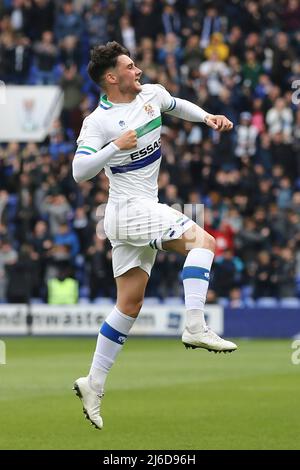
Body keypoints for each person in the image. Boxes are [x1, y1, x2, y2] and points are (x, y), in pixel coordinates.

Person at [72, 41, 237, 430]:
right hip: (128, 211)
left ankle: (93, 383)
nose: (138, 71)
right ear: (112, 78)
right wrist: (115, 145)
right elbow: (80, 172)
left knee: (129, 304)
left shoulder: (151, 94)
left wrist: (208, 117)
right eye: (130, 67)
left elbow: (177, 105)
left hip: (136, 210)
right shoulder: (98, 121)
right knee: (204, 242)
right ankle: (195, 325)